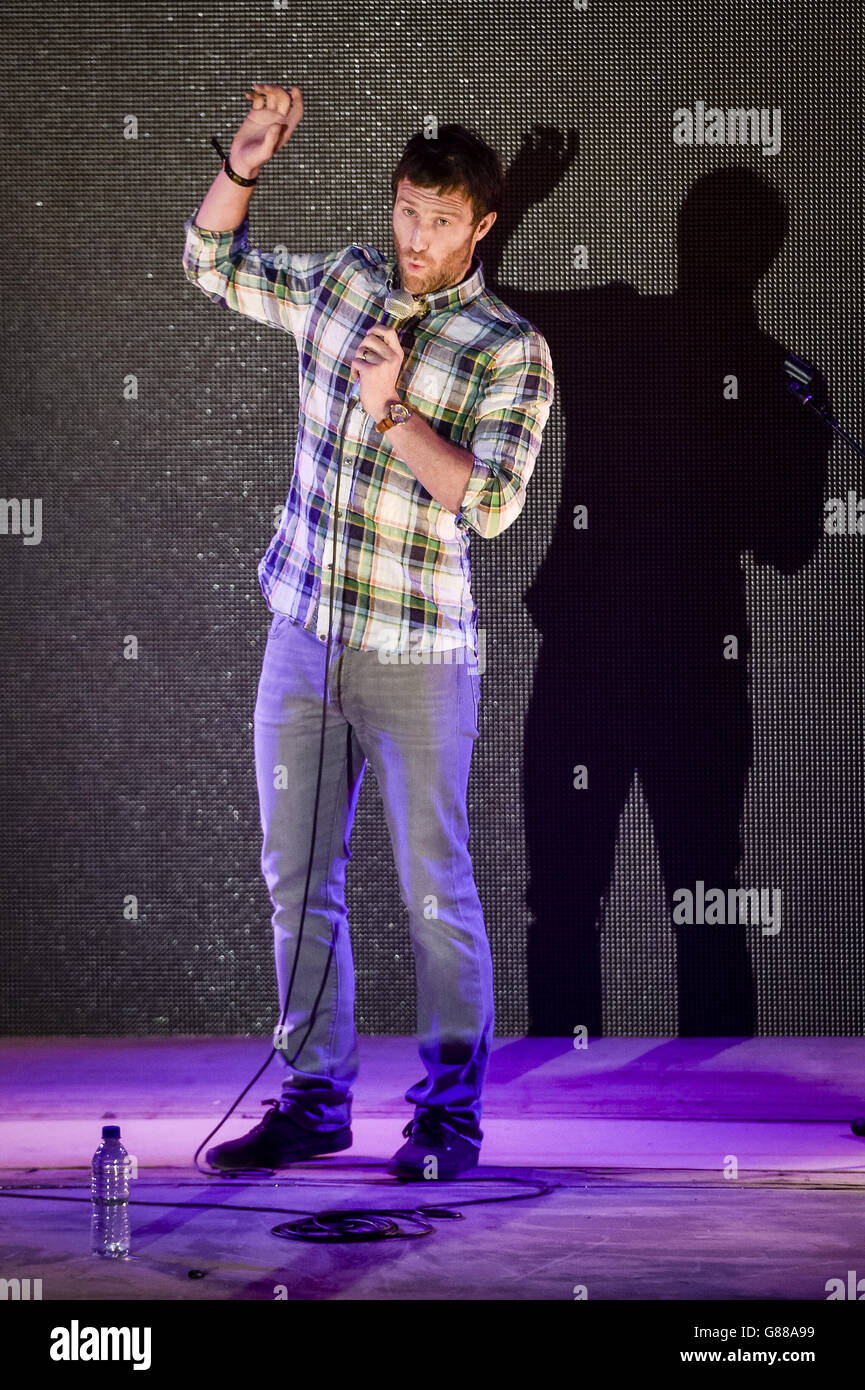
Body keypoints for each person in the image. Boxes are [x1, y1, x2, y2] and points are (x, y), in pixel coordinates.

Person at [182, 84, 554, 1179]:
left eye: (440, 221)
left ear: (481, 226)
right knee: (296, 876)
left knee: (434, 886)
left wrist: (395, 407)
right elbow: (212, 263)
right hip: (303, 634)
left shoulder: (507, 348)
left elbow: (485, 503)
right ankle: (312, 1097)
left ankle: (447, 1118)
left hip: (417, 653)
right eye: (405, 211)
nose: (415, 238)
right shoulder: (344, 282)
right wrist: (244, 166)